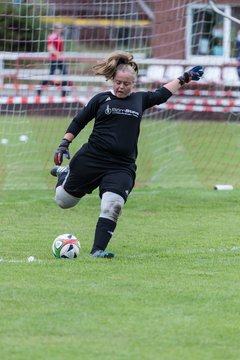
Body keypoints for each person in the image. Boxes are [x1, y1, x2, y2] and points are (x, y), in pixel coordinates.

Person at [51, 51, 204, 258]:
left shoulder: (139, 100)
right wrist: (63, 144)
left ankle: (97, 250)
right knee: (63, 202)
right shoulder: (101, 99)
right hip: (92, 158)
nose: (121, 87)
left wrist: (184, 78)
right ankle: (64, 174)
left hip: (121, 166)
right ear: (112, 79)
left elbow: (161, 94)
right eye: (118, 82)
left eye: (126, 84)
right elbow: (79, 121)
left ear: (133, 84)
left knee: (113, 205)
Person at [37, 23, 68, 97]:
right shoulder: (52, 37)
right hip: (54, 59)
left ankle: (64, 93)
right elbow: (50, 48)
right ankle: (39, 89)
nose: (61, 30)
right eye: (60, 28)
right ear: (56, 29)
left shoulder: (60, 37)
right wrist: (58, 54)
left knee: (64, 74)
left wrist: (61, 55)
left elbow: (60, 49)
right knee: (51, 75)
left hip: (60, 59)